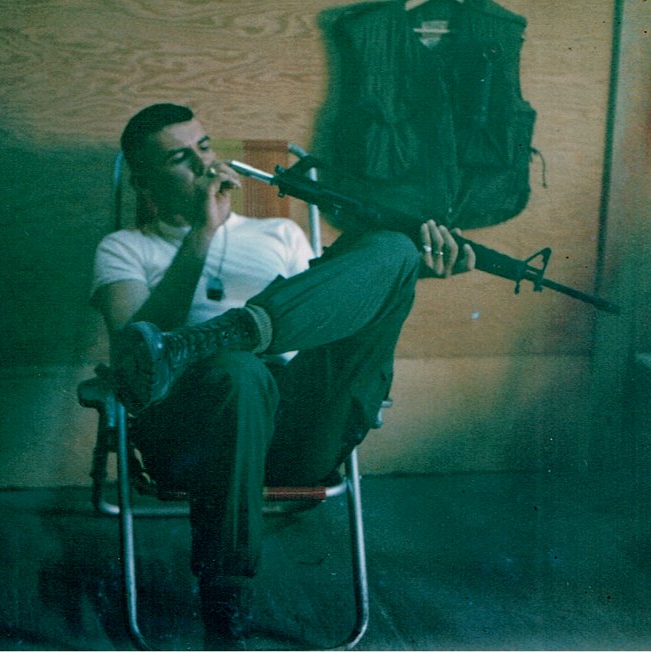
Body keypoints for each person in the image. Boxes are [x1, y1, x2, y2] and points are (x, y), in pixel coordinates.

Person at [91, 103, 474, 648]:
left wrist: (401, 275)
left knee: (393, 247)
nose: (204, 165)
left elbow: (331, 315)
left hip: (295, 431)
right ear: (143, 181)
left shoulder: (279, 233)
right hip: (196, 436)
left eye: (204, 146)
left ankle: (228, 333)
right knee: (238, 369)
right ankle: (225, 598)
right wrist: (202, 233)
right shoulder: (126, 247)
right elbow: (135, 357)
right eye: (180, 159)